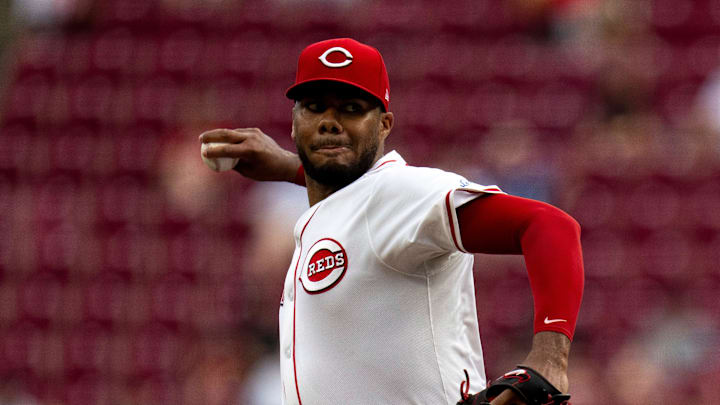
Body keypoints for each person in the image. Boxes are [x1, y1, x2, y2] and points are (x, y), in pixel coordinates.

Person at [199, 38, 584, 405]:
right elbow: (355, 200)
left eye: (351, 108)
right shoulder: (346, 206)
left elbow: (549, 225)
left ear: (384, 124)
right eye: (314, 106)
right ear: (294, 119)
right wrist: (291, 168)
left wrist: (550, 355)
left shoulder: (402, 190)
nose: (330, 122)